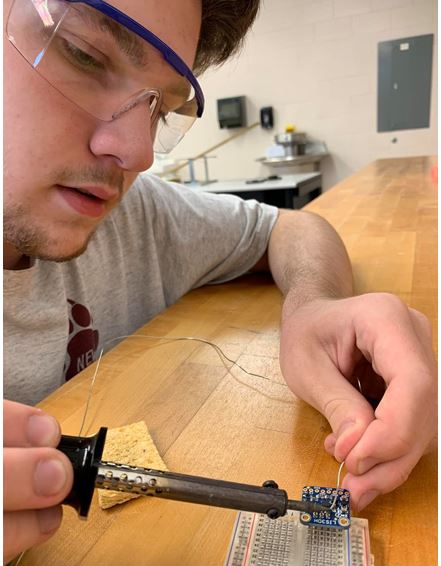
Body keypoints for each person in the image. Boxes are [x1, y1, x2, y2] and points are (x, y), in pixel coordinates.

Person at [3, 0, 436, 562]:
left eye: (161, 109)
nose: (136, 154)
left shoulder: (130, 216)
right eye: (86, 54)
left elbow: (292, 228)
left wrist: (313, 305)